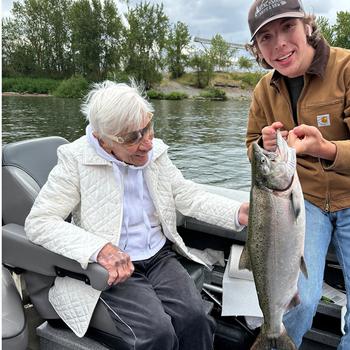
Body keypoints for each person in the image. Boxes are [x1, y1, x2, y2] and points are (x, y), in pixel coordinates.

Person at [25, 80, 249, 350]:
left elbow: (186, 195)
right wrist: (101, 250)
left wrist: (237, 212)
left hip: (158, 257)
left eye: (147, 128)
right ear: (102, 140)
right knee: (158, 334)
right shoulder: (75, 159)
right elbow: (39, 221)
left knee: (196, 318)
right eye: (132, 138)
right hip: (114, 268)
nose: (146, 143)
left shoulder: (156, 153)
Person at [245, 0, 350, 348]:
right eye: (265, 37)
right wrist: (264, 144)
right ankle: (275, 337)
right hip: (305, 203)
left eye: (288, 27)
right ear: (257, 48)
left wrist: (326, 149)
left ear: (307, 25)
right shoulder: (263, 90)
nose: (279, 45)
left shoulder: (346, 67)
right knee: (299, 300)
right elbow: (251, 147)